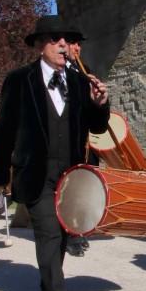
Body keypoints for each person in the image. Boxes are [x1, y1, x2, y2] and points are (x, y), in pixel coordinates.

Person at [0, 15, 110, 291]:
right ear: (41, 45)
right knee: (48, 231)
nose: (62, 45)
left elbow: (97, 126)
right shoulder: (19, 79)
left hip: (71, 173)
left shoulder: (82, 81)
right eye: (55, 39)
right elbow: (4, 130)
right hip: (34, 170)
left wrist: (101, 102)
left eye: (66, 40)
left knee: (65, 232)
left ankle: (48, 285)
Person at [64, 37, 94, 257]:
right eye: (74, 44)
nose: (78, 48)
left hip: (84, 140)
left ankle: (79, 228)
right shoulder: (58, 74)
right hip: (64, 140)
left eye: (79, 45)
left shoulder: (86, 71)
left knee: (83, 186)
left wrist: (98, 97)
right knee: (67, 188)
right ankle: (70, 234)